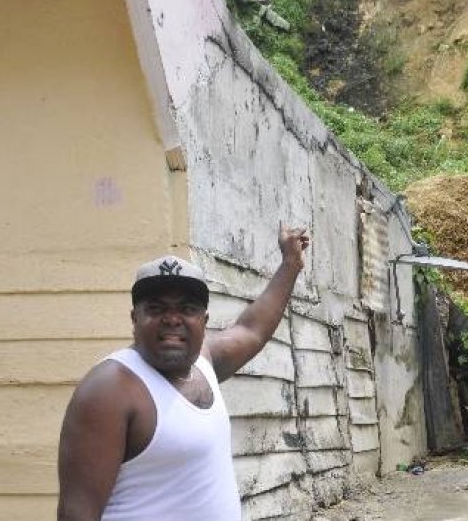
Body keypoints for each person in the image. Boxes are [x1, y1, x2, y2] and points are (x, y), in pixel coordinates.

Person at [56, 223, 311, 521]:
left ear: (204, 320)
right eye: (156, 308)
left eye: (187, 308)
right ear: (134, 319)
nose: (172, 319)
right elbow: (77, 514)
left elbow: (251, 330)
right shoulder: (110, 390)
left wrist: (290, 265)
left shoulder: (203, 362)